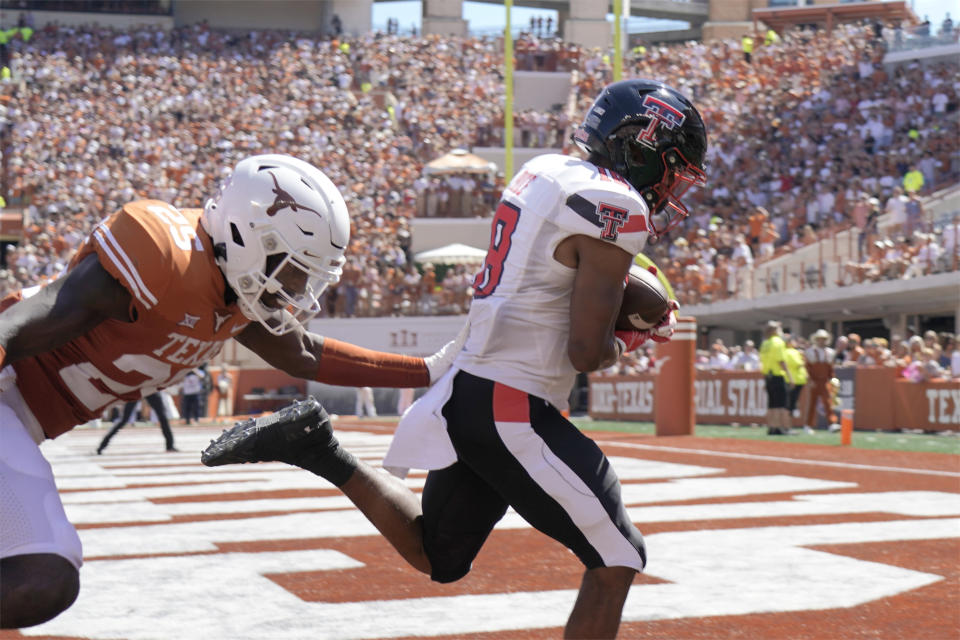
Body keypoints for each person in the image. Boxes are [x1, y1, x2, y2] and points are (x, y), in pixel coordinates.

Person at [202, 78, 706, 639]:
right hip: (513, 404)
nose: (670, 183)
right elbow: (585, 352)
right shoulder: (617, 205)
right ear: (639, 146)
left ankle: (318, 448)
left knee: (437, 554)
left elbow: (548, 281)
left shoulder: (543, 170)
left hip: (468, 392)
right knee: (619, 557)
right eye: (671, 165)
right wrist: (635, 336)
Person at [0, 154, 463, 629]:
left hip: (21, 419)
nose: (297, 288)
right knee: (43, 573)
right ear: (246, 236)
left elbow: (303, 352)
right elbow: (13, 329)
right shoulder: (165, 257)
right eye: (291, 268)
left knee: (41, 573)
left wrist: (426, 371)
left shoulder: (230, 291)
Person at [96, 392, 177, 454]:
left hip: (149, 388)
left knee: (163, 417)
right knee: (124, 419)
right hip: (139, 388)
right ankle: (102, 446)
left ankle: (170, 445)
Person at [760, 320, 795, 435]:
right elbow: (781, 361)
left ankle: (771, 427)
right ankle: (779, 427)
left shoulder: (765, 343)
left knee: (771, 404)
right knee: (780, 404)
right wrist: (790, 378)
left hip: (768, 376)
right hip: (778, 375)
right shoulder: (778, 342)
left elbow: (763, 362)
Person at [803, 329, 836, 433]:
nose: (821, 341)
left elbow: (830, 369)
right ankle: (808, 425)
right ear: (816, 340)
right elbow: (807, 368)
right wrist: (810, 380)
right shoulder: (810, 352)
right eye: (820, 339)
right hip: (814, 381)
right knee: (812, 403)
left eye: (824, 339)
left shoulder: (830, 352)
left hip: (825, 381)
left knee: (828, 402)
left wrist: (832, 380)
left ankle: (832, 424)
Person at [783, 335, 808, 432]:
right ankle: (787, 427)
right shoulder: (789, 352)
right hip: (793, 380)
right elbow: (798, 364)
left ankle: (788, 427)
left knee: (791, 405)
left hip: (798, 380)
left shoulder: (794, 351)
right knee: (789, 405)